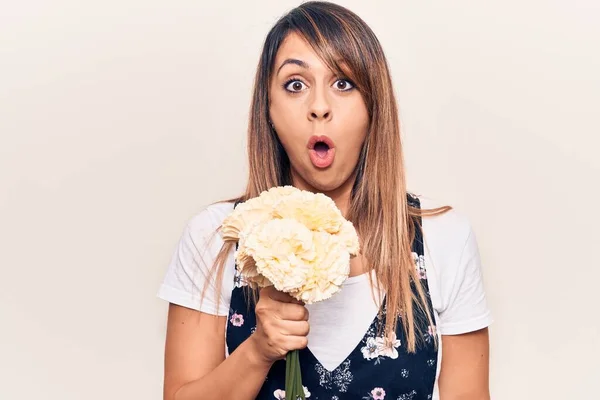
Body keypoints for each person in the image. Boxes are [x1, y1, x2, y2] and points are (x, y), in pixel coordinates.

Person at [157, 2, 493, 399]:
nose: (319, 107)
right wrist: (258, 352)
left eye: (344, 83)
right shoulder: (216, 238)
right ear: (268, 108)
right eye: (295, 84)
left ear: (374, 108)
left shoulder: (443, 237)